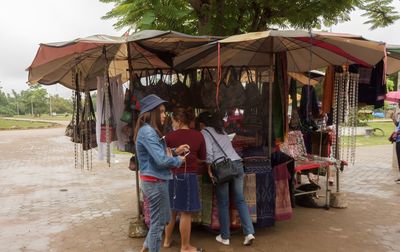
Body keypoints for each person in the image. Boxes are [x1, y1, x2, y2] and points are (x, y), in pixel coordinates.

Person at [134, 94, 187, 252]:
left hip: (156, 181)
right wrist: (179, 161)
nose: (165, 115)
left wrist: (175, 152)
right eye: (162, 112)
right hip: (154, 183)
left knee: (163, 219)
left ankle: (144, 248)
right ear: (152, 113)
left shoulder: (148, 131)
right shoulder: (148, 132)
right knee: (157, 225)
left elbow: (158, 154)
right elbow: (162, 161)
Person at [198, 112, 255, 246]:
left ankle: (225, 237)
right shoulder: (221, 130)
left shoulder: (205, 132)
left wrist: (208, 169)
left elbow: (209, 153)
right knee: (240, 199)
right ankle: (249, 233)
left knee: (223, 202)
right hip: (237, 164)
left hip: (223, 168)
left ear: (202, 123)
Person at [163, 107, 206, 252]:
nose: (173, 124)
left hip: (171, 176)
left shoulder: (168, 137)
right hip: (188, 176)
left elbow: (163, 156)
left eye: (174, 121)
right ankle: (185, 246)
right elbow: (203, 157)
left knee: (172, 210)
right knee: (185, 212)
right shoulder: (198, 136)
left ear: (179, 121)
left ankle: (167, 241)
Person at [391, 105, 400, 183]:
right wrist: (393, 118)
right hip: (398, 140)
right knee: (399, 159)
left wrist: (397, 133)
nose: (398, 105)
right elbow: (398, 125)